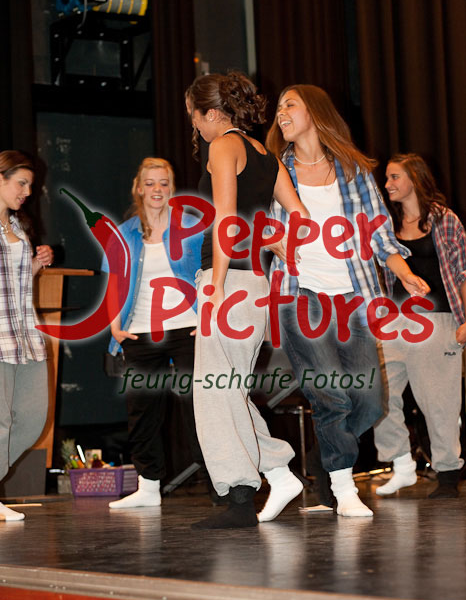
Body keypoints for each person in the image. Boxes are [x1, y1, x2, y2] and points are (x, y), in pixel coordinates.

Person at [266, 85, 429, 517]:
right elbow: (251, 220)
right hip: (299, 294)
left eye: (290, 104)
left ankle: (325, 461)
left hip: (352, 298)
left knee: (370, 402)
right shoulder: (275, 168)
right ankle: (343, 488)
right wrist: (267, 238)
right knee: (331, 396)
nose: (281, 112)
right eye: (279, 106)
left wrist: (404, 272)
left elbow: (379, 234)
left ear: (315, 112)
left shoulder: (353, 170)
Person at [185, 71, 310, 529]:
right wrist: (270, 239)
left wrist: (215, 286)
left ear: (211, 113)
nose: (194, 125)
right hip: (257, 285)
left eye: (194, 115)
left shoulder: (223, 147)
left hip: (229, 283)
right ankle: (277, 470)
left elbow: (224, 221)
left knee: (213, 392)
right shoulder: (265, 154)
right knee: (229, 389)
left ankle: (239, 498)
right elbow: (300, 217)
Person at [106, 157, 204, 509]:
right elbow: (115, 281)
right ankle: (148, 487)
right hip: (140, 332)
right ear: (138, 188)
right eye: (150, 183)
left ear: (172, 188)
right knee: (143, 411)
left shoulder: (192, 227)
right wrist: (115, 325)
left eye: (163, 182)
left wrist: (207, 317)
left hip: (188, 328)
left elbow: (210, 273)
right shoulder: (124, 233)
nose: (157, 189)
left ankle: (221, 485)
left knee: (201, 408)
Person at [374, 153, 465, 498]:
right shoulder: (387, 227)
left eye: (394, 177)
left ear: (415, 178)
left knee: (439, 401)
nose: (388, 184)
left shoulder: (445, 220)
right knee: (378, 393)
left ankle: (448, 474)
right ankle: (401, 464)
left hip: (437, 320)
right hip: (395, 322)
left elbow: (463, 273)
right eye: (387, 178)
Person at [0, 150, 53, 521]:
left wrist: (35, 263)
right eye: (21, 183)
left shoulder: (17, 225)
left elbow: (15, 281)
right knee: (1, 423)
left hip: (26, 335)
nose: (27, 192)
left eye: (30, 185)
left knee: (34, 419)